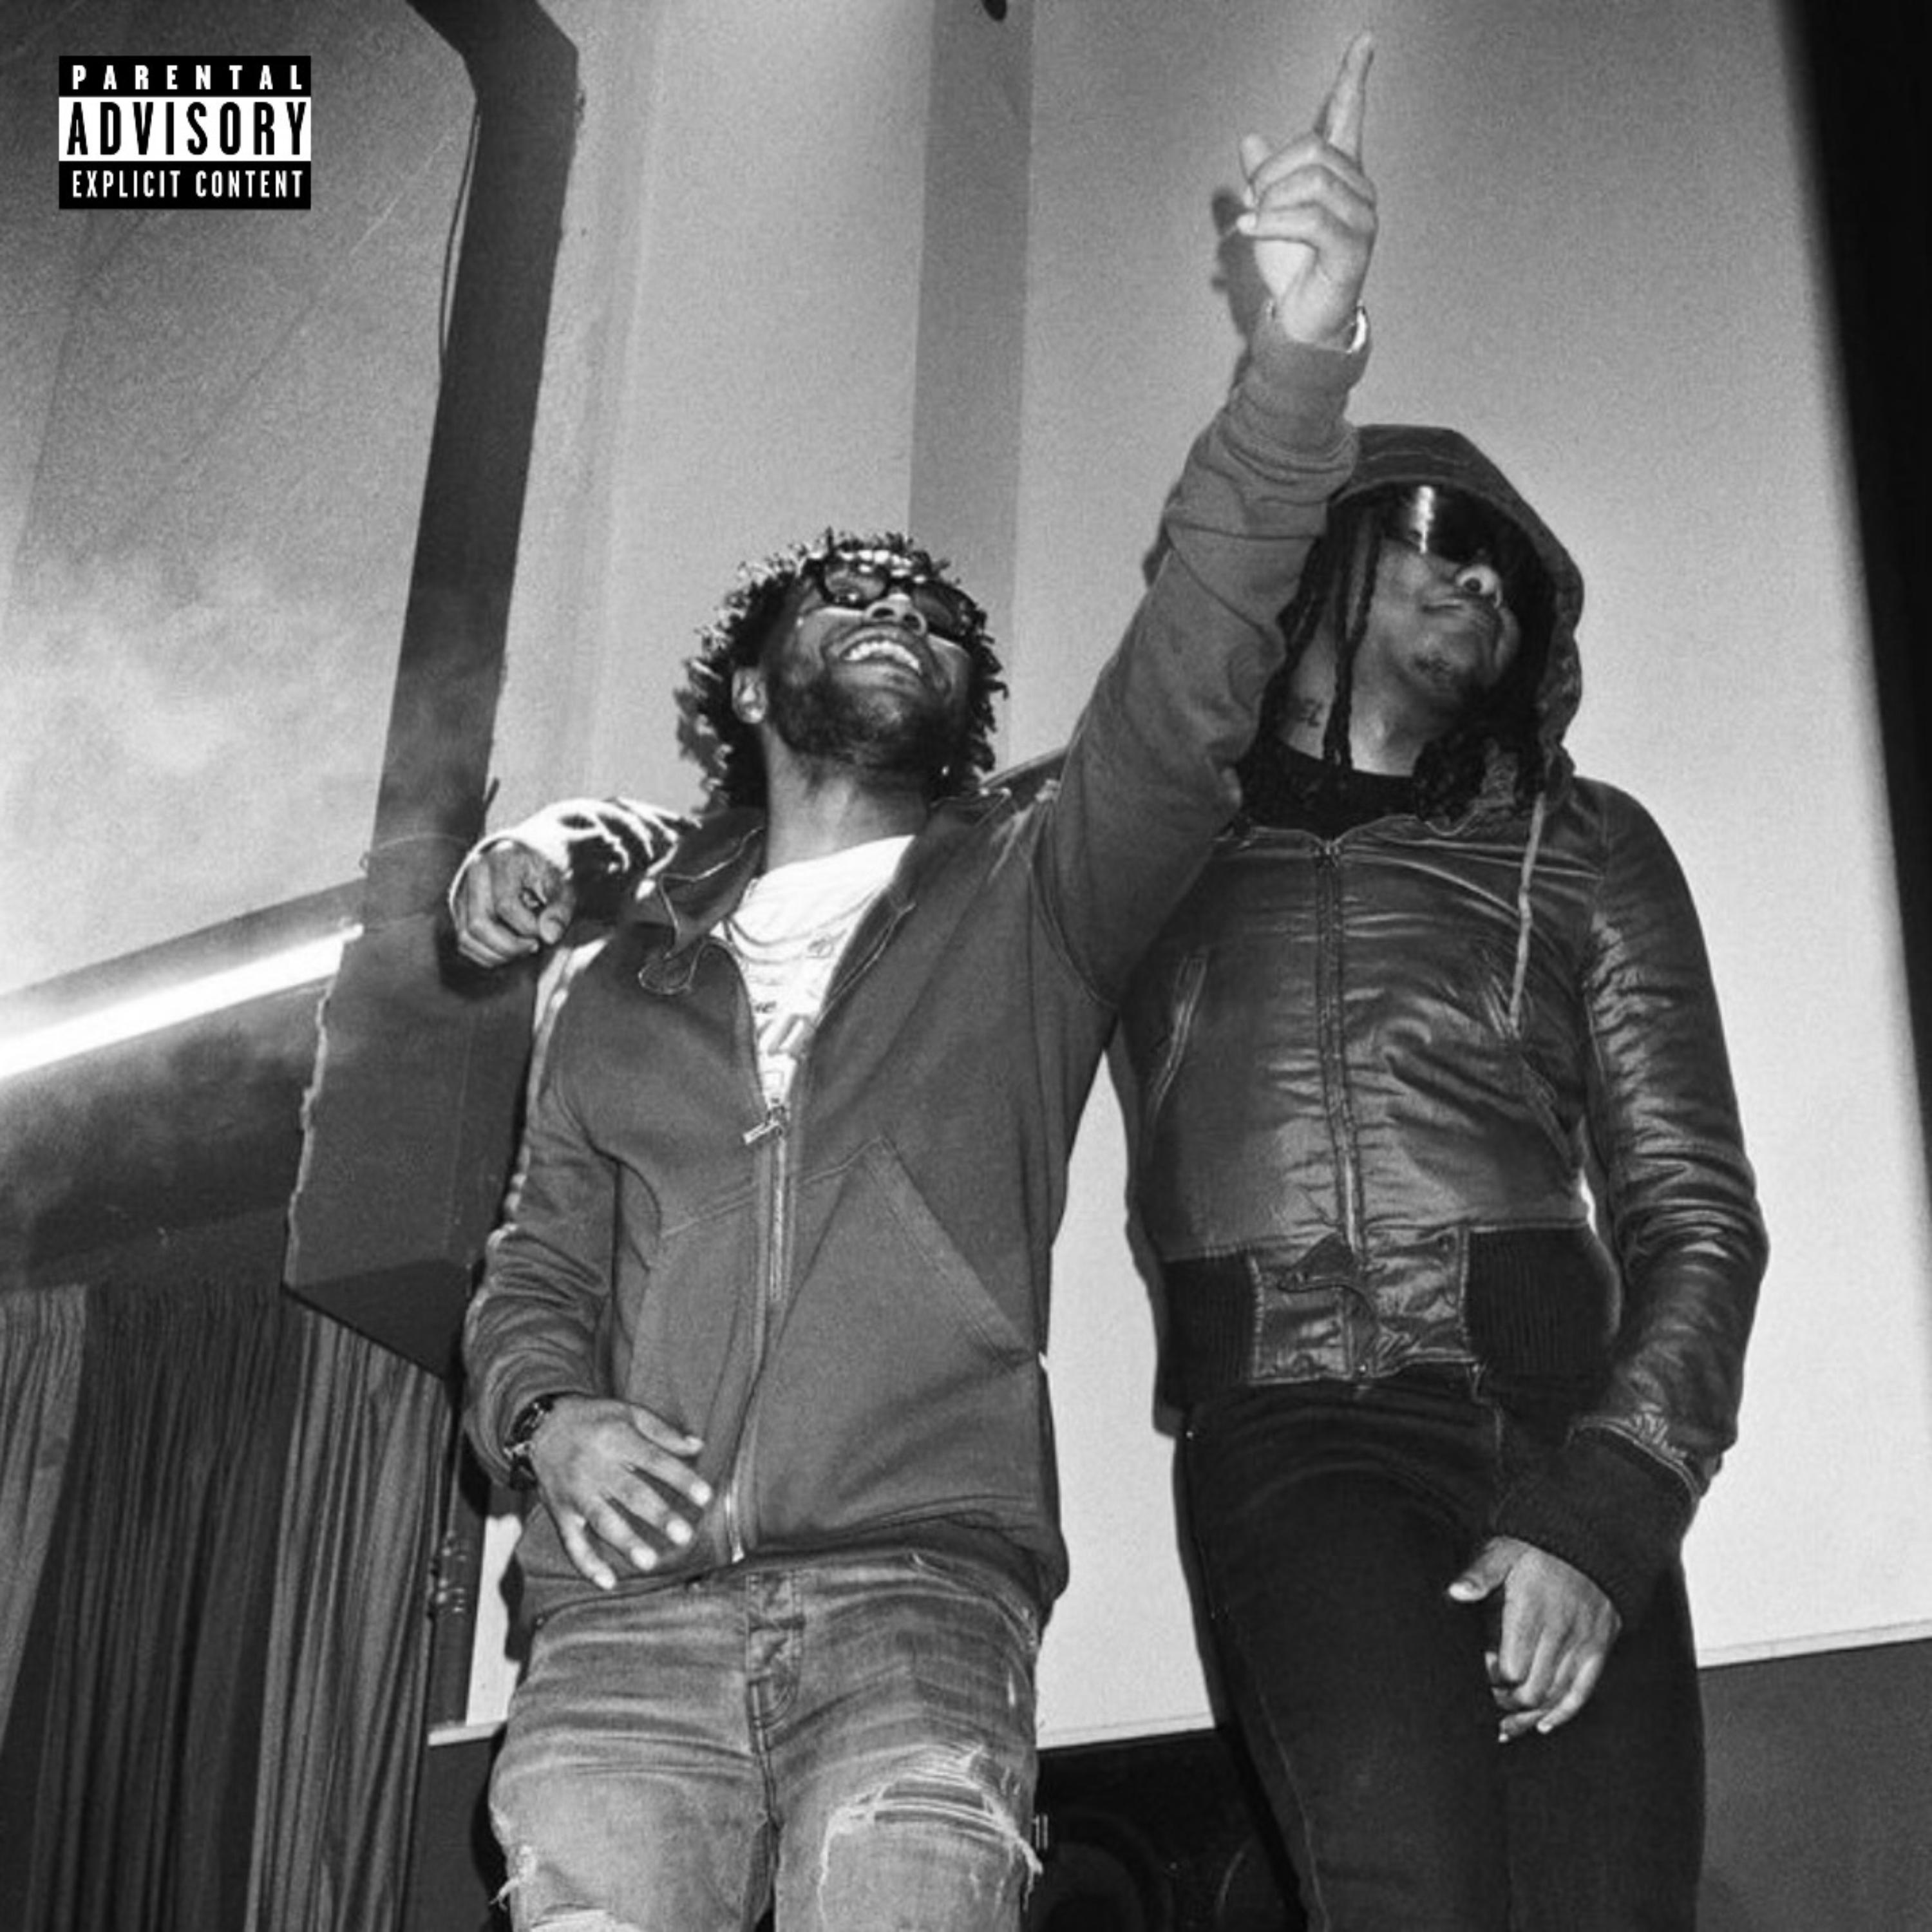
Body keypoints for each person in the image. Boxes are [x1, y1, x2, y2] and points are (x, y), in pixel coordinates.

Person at [456, 37, 1379, 1931]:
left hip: (920, 1603)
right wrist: (549, 1425)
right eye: (851, 594)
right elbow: (535, 1270)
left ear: (966, 709)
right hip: (616, 1629)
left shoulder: (1039, 890)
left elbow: (1198, 655)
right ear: (750, 686)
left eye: (937, 615)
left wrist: (1298, 359)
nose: (897, 609)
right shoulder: (617, 978)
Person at [1113, 425, 1768, 1926]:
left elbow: (1696, 1212)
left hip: (1564, 1433)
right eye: (1442, 533)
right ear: (1319, 552)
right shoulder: (1146, 835)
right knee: (1413, 1898)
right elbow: (891, 876)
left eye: (1515, 580)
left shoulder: (1585, 843)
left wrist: (1606, 1511)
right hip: (1298, 1434)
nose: (1484, 582)